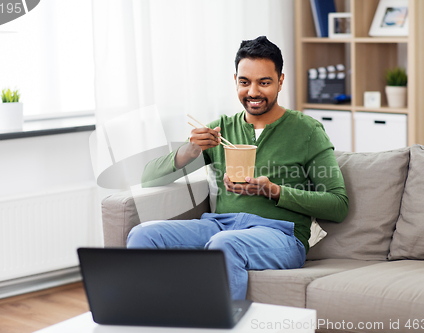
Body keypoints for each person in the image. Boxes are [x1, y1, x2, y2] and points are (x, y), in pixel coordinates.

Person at [127, 36, 349, 300]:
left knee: (224, 245)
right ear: (235, 81)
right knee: (143, 235)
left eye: (264, 82)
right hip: (219, 226)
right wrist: (189, 151)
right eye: (245, 82)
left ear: (280, 81)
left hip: (280, 236)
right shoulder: (221, 130)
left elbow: (338, 205)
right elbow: (148, 178)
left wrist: (275, 191)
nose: (253, 92)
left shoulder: (307, 131)